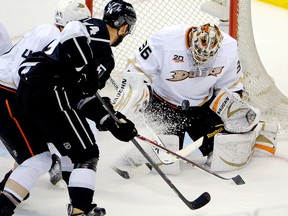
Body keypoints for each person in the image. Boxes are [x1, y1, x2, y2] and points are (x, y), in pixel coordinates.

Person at [0, 0, 137, 215]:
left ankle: (14, 192)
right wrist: (85, 69)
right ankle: (79, 208)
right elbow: (74, 33)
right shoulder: (96, 31)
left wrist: (110, 119)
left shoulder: (105, 57)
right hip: (42, 91)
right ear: (124, 27)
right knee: (85, 152)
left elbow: (84, 96)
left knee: (43, 153)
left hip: (30, 92)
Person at [112, 23, 278, 172]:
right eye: (197, 55)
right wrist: (135, 99)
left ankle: (258, 131)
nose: (201, 62)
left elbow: (232, 86)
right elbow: (136, 69)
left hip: (202, 108)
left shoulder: (230, 48)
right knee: (155, 158)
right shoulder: (165, 40)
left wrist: (234, 109)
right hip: (164, 105)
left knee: (227, 150)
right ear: (191, 44)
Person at [0, 0, 92, 191]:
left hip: (9, 88)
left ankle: (12, 185)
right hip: (8, 92)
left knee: (34, 142)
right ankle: (11, 190)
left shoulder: (42, 29)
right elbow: (28, 76)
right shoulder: (60, 40)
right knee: (36, 152)